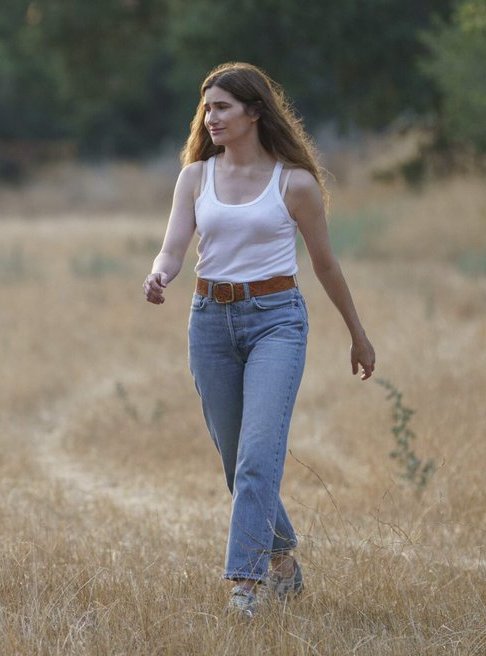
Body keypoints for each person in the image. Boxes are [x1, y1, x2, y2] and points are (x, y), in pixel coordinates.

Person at [143, 62, 375, 618]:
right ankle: (283, 561)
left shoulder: (293, 183)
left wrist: (357, 335)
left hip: (277, 321)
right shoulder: (195, 176)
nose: (211, 116)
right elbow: (174, 245)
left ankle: (244, 586)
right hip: (210, 322)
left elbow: (325, 265)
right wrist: (160, 273)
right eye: (207, 107)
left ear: (254, 111)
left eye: (222, 106)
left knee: (257, 457)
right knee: (235, 462)